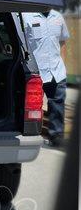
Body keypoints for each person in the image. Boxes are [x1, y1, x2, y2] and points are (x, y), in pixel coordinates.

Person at [23, 10, 70, 147]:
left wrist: (62, 62)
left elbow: (62, 41)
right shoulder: (27, 17)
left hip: (56, 70)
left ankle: (56, 135)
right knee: (28, 104)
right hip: (35, 71)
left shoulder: (58, 17)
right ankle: (27, 133)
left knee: (57, 103)